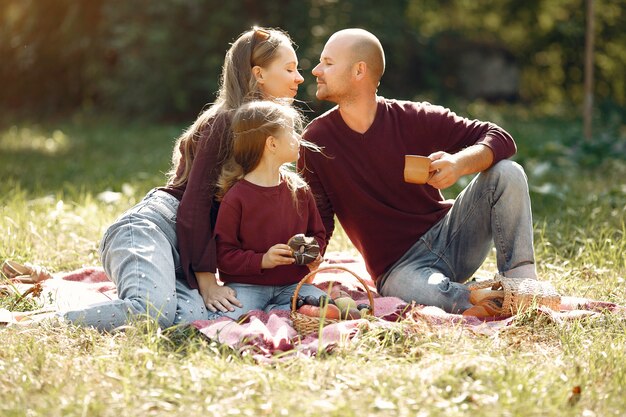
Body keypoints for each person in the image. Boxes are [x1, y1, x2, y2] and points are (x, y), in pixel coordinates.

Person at [62, 27, 305, 330]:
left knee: (188, 322)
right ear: (259, 74)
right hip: (152, 230)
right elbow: (195, 205)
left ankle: (70, 303)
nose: (299, 78)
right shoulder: (225, 122)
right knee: (151, 312)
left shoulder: (267, 136)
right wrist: (207, 281)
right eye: (290, 68)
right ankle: (40, 323)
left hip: (184, 258)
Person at [298, 28, 537, 314]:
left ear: (358, 70)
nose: (316, 70)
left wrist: (458, 164)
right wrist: (301, 269)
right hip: (400, 268)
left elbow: (499, 137)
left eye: (327, 62)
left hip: (452, 236)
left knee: (507, 172)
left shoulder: (414, 117)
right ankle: (480, 298)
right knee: (410, 291)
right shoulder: (315, 141)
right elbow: (320, 221)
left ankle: (523, 285)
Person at [211, 100, 326, 320]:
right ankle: (276, 312)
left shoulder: (300, 191)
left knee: (326, 306)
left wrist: (312, 254)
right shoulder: (237, 198)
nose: (299, 138)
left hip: (293, 285)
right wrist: (263, 260)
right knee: (227, 318)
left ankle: (276, 311)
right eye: (292, 132)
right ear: (272, 144)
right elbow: (223, 255)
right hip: (248, 285)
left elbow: (317, 234)